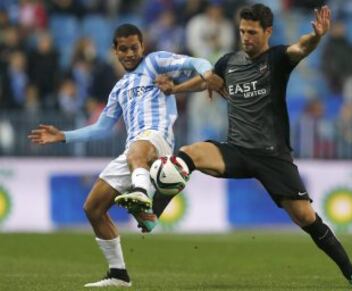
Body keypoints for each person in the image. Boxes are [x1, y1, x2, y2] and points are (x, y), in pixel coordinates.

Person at [127, 4, 352, 288]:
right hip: (236, 149)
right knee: (189, 153)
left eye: (252, 32)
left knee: (306, 217)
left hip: (273, 156)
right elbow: (208, 80)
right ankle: (152, 214)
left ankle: (351, 272)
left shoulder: (277, 59)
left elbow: (301, 47)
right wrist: (175, 89)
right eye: (242, 31)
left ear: (268, 32)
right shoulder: (230, 61)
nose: (246, 37)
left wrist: (317, 37)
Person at [28, 23, 223, 288]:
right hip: (134, 151)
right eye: (124, 49)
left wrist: (208, 74)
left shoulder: (155, 63)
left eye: (134, 47)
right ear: (115, 50)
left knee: (137, 150)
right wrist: (64, 135)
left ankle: (142, 198)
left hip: (157, 139)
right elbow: (101, 128)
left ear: (142, 46)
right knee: (93, 208)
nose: (130, 53)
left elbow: (197, 61)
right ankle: (119, 274)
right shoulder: (119, 88)